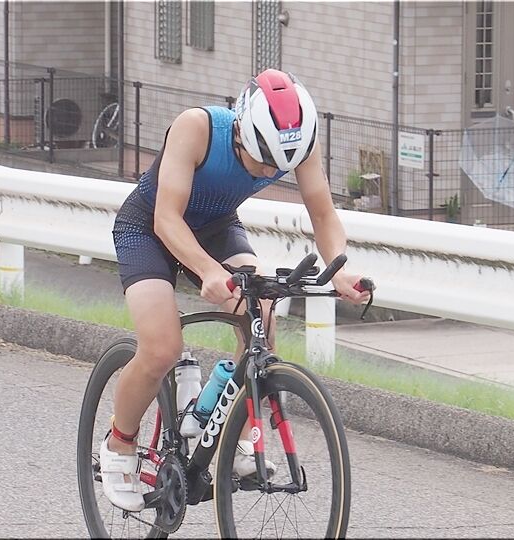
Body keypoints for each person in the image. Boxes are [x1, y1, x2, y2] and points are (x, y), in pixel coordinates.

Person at [101, 69, 371, 511]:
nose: (269, 171)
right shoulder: (197, 128)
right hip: (148, 229)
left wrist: (339, 269)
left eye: (278, 166)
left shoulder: (298, 143)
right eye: (262, 161)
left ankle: (243, 441)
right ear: (243, 130)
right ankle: (119, 445)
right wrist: (208, 270)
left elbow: (322, 214)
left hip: (216, 227)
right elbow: (166, 219)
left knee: (261, 313)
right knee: (162, 348)